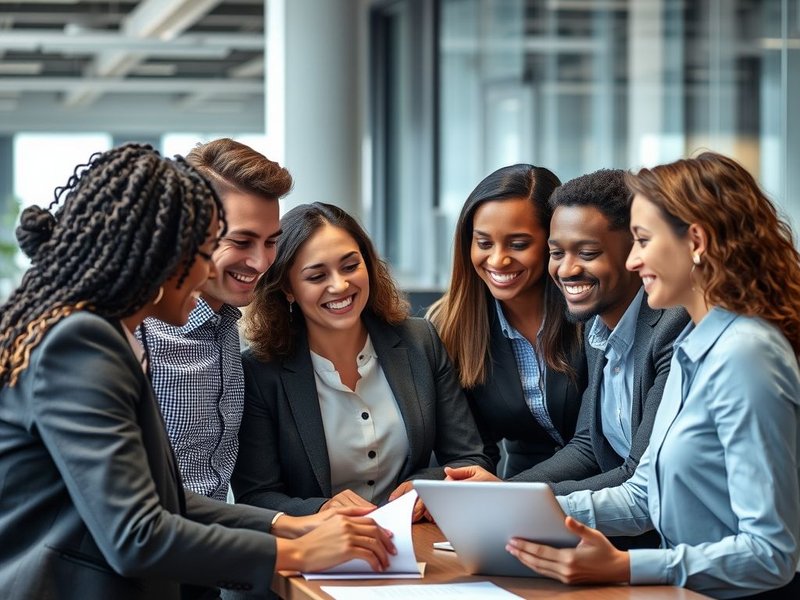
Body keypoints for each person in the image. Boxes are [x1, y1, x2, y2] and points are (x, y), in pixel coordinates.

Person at [0, 145, 394, 599]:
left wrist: (294, 527)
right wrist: (300, 553)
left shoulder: (115, 333)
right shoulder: (81, 342)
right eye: (206, 251)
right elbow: (138, 535)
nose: (212, 269)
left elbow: (163, 498)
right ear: (159, 254)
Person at [506, 152, 800, 599]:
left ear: (695, 241)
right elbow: (644, 495)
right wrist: (517, 512)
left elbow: (770, 554)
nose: (632, 261)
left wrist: (625, 567)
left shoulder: (746, 355)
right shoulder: (693, 347)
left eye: (642, 240)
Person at [232, 202, 492, 521]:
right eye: (316, 276)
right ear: (288, 288)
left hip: (418, 537)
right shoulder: (259, 372)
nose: (340, 285)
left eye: (350, 265)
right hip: (321, 547)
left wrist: (425, 486)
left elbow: (470, 459)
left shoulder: (419, 341)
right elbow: (255, 496)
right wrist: (321, 509)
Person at [447, 169, 688, 500]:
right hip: (590, 505)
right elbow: (589, 444)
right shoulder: (598, 325)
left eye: (586, 253)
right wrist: (504, 496)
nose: (567, 269)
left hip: (645, 524)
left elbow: (638, 477)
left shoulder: (668, 326)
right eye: (557, 253)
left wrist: (517, 503)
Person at [137, 138, 291, 501]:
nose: (260, 262)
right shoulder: (139, 337)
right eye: (241, 241)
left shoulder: (228, 330)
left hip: (217, 547)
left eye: (271, 242)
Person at [427, 164, 587, 477]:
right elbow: (470, 450)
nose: (498, 260)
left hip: (603, 496)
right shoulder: (449, 325)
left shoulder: (590, 310)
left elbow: (596, 443)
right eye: (484, 243)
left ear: (553, 242)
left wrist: (507, 493)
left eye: (518, 244)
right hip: (518, 493)